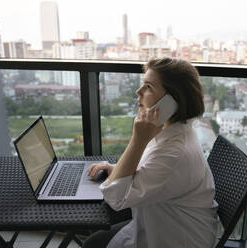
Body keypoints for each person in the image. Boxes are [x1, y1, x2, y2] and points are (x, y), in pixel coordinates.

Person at [83, 57, 220, 248]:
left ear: (171, 101)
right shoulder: (175, 130)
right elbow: (146, 169)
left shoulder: (173, 153)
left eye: (148, 87)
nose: (138, 92)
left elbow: (115, 197)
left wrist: (138, 140)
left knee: (93, 241)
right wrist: (113, 168)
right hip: (161, 223)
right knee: (94, 239)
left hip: (177, 239)